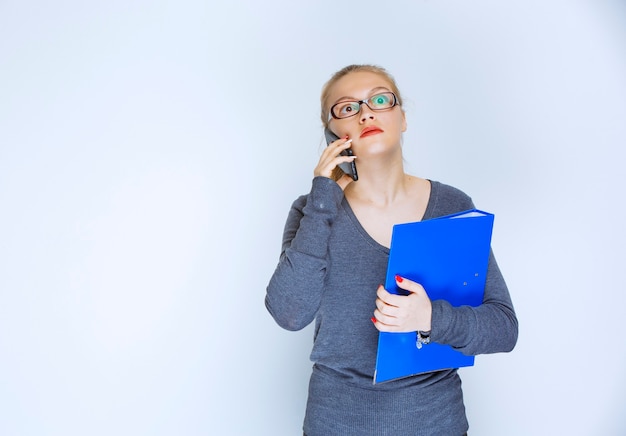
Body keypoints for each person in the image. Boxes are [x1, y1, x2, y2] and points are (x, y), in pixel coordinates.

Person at [265, 64, 518, 436]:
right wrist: (323, 197)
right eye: (348, 107)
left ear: (402, 119)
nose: (366, 112)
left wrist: (430, 317)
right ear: (333, 133)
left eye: (380, 100)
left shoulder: (452, 206)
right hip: (334, 424)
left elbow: (503, 328)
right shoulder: (313, 211)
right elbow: (289, 313)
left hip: (436, 423)